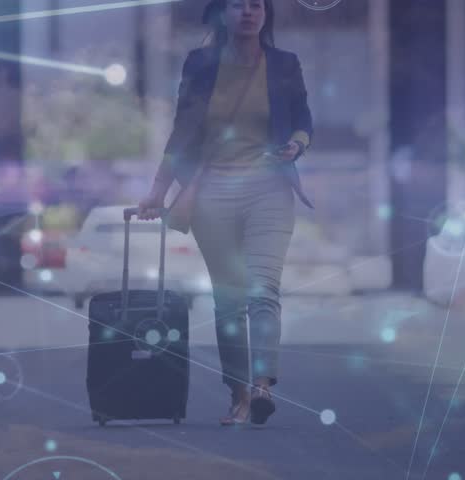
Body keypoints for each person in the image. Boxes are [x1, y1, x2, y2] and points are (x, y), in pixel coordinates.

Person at [137, 0, 314, 426]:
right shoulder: (200, 64)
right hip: (212, 191)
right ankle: (239, 394)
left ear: (266, 14)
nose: (248, 12)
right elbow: (182, 130)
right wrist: (158, 190)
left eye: (257, 4)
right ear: (223, 13)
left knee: (263, 289)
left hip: (269, 189)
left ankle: (262, 386)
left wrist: (297, 144)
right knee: (229, 300)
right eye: (238, 4)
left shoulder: (285, 64)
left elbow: (303, 119)